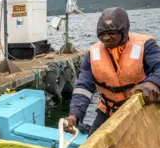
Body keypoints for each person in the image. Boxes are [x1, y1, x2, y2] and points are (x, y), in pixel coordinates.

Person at [64, 7, 160, 135]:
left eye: (111, 33)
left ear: (124, 32)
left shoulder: (146, 46)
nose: (106, 38)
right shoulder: (92, 55)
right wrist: (74, 115)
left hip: (141, 110)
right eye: (102, 34)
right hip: (107, 112)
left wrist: (153, 82)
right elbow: (83, 87)